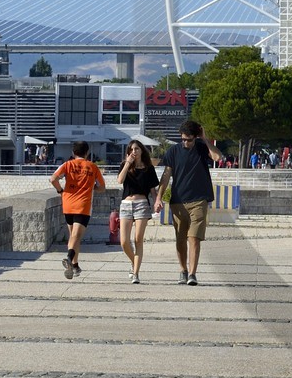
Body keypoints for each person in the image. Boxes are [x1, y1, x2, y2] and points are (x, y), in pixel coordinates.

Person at [156, 120, 213, 286]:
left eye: (189, 139)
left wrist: (205, 139)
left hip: (199, 200)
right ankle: (183, 270)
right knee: (180, 239)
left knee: (194, 238)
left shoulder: (202, 148)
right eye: (183, 139)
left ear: (195, 137)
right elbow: (166, 176)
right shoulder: (173, 151)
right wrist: (159, 197)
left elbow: (217, 157)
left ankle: (193, 274)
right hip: (178, 201)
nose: (186, 143)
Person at [51, 141, 106, 280]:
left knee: (73, 236)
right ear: (87, 153)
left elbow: (53, 179)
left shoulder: (67, 165)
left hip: (68, 204)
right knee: (76, 236)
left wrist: (60, 190)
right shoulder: (92, 167)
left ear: (73, 152)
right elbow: (102, 187)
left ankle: (75, 266)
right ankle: (69, 258)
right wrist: (92, 187)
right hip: (83, 205)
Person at [115, 139, 159, 284]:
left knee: (138, 239)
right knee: (124, 242)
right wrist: (128, 163)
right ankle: (134, 262)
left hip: (142, 204)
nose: (134, 151)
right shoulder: (125, 165)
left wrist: (157, 202)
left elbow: (153, 190)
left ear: (141, 150)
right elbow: (120, 180)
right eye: (132, 149)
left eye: (137, 149)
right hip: (126, 204)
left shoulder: (148, 168)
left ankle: (135, 273)